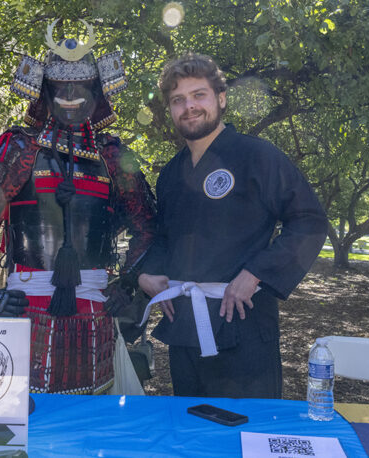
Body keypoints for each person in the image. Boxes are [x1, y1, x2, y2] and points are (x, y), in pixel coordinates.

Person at [0, 20, 156, 395]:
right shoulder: (18, 149)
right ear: (43, 92)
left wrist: (129, 284)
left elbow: (148, 226)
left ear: (98, 91)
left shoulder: (113, 156)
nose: (70, 95)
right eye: (59, 87)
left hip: (97, 313)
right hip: (26, 310)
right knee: (24, 414)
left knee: (93, 417)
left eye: (82, 87)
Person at [138, 53, 328, 398]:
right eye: (178, 100)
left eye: (199, 95)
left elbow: (309, 221)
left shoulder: (257, 156)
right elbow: (164, 239)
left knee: (247, 437)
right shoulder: (170, 174)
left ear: (221, 99)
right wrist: (146, 274)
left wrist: (256, 273)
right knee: (191, 436)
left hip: (244, 321)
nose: (189, 107)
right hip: (185, 327)